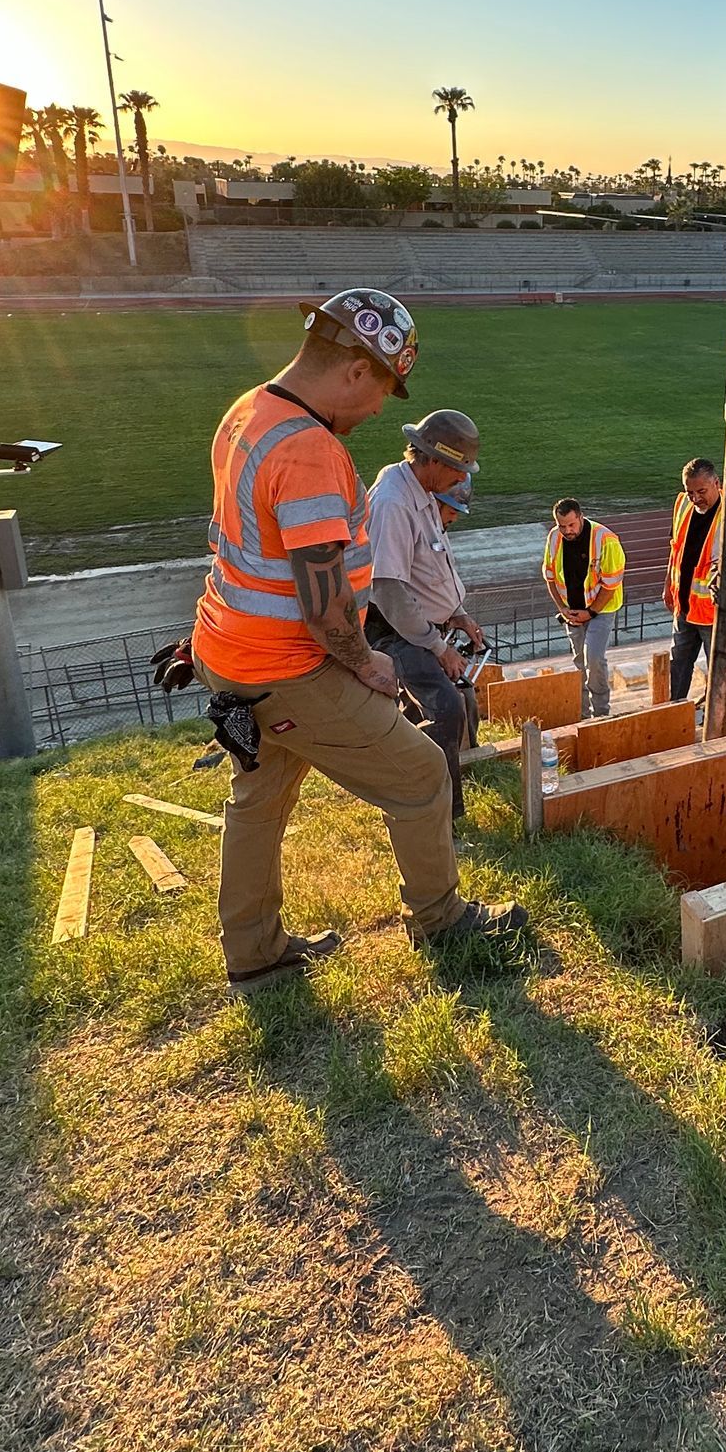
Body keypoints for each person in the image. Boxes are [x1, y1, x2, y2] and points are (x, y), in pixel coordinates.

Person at [188, 290, 527, 991]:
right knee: (420, 773)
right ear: (353, 371)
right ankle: (441, 920)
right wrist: (367, 661)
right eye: (381, 391)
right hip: (286, 666)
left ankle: (253, 953)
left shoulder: (249, 410)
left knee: (259, 797)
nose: (379, 411)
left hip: (230, 650)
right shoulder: (311, 449)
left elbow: (247, 548)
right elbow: (322, 601)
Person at [366, 409, 489, 822]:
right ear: (434, 460)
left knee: (451, 701)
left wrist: (457, 615)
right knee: (444, 707)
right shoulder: (394, 503)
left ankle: (441, 784)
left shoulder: (420, 493)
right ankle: (438, 813)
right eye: (458, 472)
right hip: (394, 631)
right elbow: (388, 590)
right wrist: (438, 647)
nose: (461, 480)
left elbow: (428, 571)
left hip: (418, 626)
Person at [542, 498, 626, 718]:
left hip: (601, 608)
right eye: (562, 526)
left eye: (571, 525)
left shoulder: (606, 540)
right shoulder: (554, 538)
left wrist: (590, 612)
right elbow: (550, 577)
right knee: (580, 661)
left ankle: (601, 714)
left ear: (580, 517)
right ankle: (582, 715)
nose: (567, 531)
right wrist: (562, 608)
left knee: (594, 658)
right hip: (572, 610)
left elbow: (611, 585)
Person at [663, 457, 721, 700]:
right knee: (678, 664)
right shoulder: (683, 505)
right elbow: (675, 548)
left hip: (714, 613)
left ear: (717, 483)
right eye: (690, 492)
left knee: (718, 669)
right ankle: (674, 711)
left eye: (701, 491)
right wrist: (667, 584)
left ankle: (713, 719)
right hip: (684, 605)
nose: (695, 498)